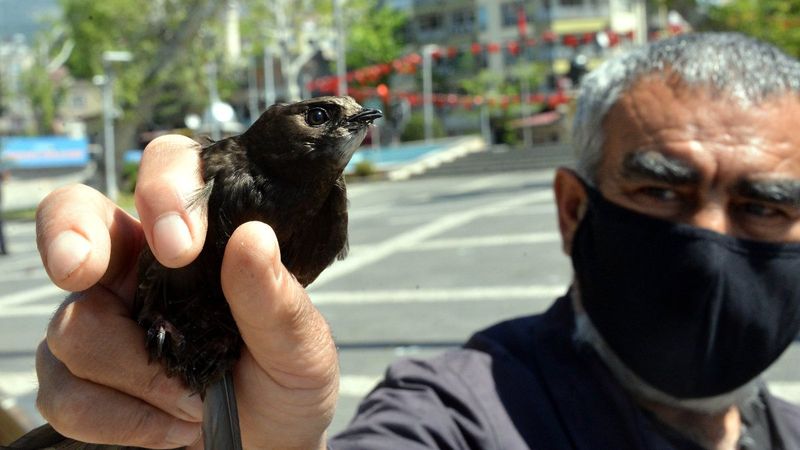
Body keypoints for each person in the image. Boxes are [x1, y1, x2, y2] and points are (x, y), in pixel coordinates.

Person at [21, 32, 800, 449]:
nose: (708, 240)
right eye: (662, 189)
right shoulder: (456, 415)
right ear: (571, 209)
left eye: (767, 205)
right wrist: (250, 444)